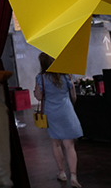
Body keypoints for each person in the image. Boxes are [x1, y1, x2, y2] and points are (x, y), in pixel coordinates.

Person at [34, 52, 83, 188]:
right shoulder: (66, 76)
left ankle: (62, 172)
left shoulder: (41, 78)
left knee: (56, 144)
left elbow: (38, 96)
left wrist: (36, 91)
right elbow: (74, 96)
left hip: (51, 113)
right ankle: (73, 175)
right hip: (66, 111)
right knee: (70, 145)